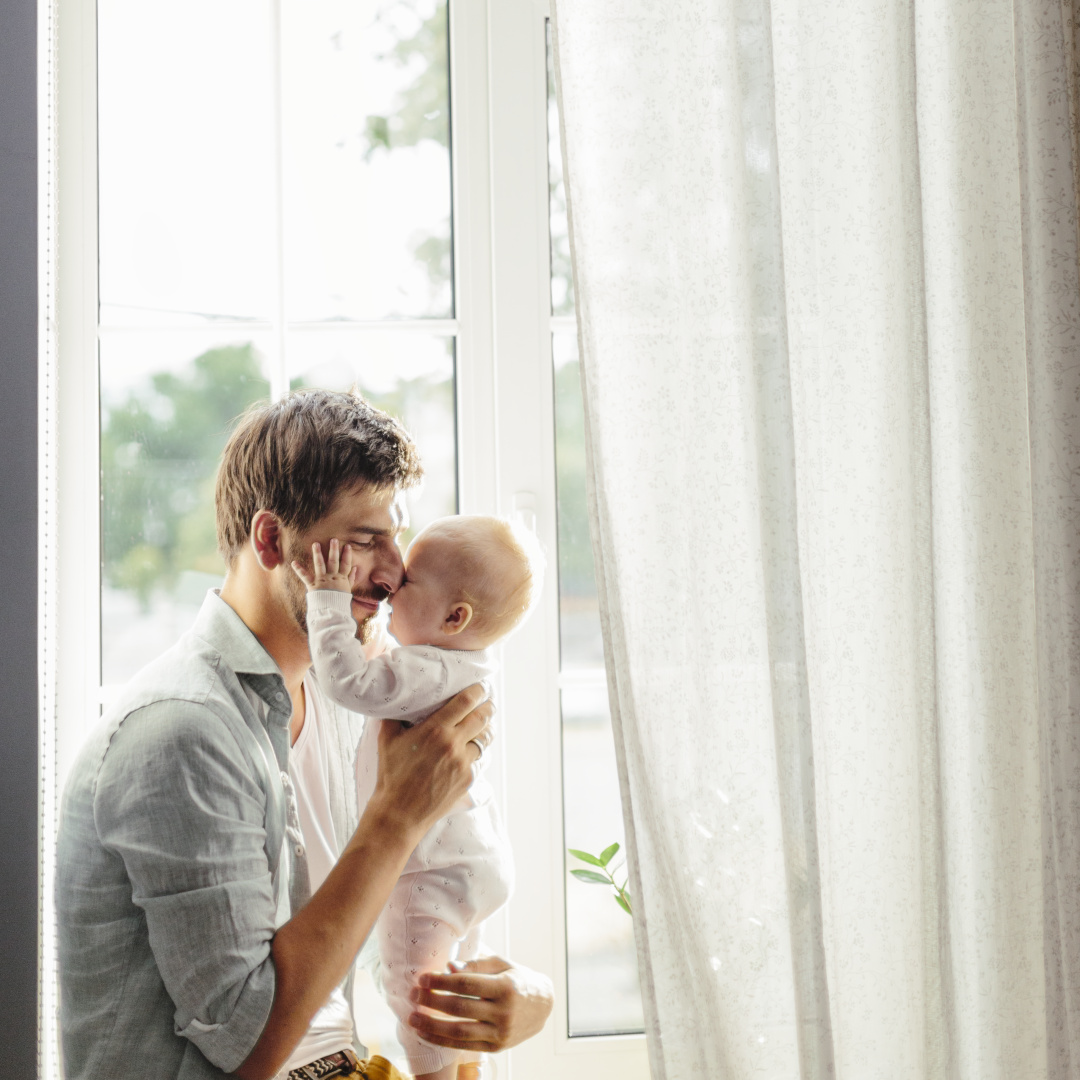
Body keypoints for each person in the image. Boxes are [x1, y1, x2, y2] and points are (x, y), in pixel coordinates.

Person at [55, 390, 554, 1080]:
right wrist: (399, 814)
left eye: (395, 534)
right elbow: (249, 1046)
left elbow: (389, 925)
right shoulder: (182, 734)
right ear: (270, 541)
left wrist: (518, 999)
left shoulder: (348, 699)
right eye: (363, 539)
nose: (392, 572)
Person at [293, 515, 544, 1080]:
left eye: (406, 582)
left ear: (456, 617)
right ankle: (466, 1069)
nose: (390, 579)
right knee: (452, 986)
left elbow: (349, 682)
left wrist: (328, 600)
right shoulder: (458, 662)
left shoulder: (425, 668)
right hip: (470, 860)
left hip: (432, 869)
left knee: (421, 995)